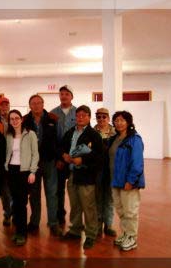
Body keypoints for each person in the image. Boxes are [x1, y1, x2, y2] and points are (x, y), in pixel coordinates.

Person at [61, 105, 102, 249]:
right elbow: (62, 147)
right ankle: (75, 230)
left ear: (89, 117)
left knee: (88, 206)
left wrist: (83, 160)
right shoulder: (70, 132)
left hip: (86, 175)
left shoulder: (94, 135)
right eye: (78, 115)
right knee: (75, 205)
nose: (80, 118)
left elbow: (99, 157)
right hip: (72, 174)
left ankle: (91, 234)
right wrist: (64, 155)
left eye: (84, 115)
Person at [23, 94, 62, 236]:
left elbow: (59, 140)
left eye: (39, 102)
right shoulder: (25, 121)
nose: (36, 105)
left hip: (49, 162)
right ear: (30, 105)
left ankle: (53, 223)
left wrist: (59, 158)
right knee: (34, 194)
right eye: (33, 103)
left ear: (43, 104)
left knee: (52, 193)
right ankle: (34, 222)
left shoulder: (53, 119)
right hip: (32, 164)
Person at [109, 111, 145, 251]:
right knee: (121, 209)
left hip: (128, 182)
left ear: (128, 122)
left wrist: (130, 181)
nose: (119, 123)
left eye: (122, 120)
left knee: (130, 211)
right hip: (115, 180)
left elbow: (137, 163)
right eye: (116, 120)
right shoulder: (115, 138)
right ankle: (125, 234)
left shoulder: (135, 139)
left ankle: (132, 238)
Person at [5, 109, 39, 246]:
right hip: (11, 170)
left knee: (22, 203)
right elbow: (7, 153)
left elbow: (35, 154)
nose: (14, 121)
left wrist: (32, 172)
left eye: (16, 118)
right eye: (11, 119)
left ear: (21, 119)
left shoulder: (30, 134)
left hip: (24, 172)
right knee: (15, 202)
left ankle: (22, 233)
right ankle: (18, 231)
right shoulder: (8, 135)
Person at [50, 85, 77, 225]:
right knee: (58, 189)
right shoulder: (52, 114)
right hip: (59, 158)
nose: (64, 96)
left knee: (75, 190)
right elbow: (51, 139)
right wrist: (60, 157)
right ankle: (60, 214)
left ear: (72, 96)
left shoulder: (79, 113)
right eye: (61, 94)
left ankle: (76, 218)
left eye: (67, 94)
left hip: (75, 158)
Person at [93, 107, 117, 237]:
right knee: (97, 198)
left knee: (109, 198)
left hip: (111, 170)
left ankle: (108, 225)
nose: (101, 119)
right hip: (97, 170)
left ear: (108, 118)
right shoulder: (91, 132)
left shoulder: (115, 132)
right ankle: (97, 225)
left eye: (104, 116)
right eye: (99, 117)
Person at [0, 96, 13, 226]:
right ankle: (7, 214)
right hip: (0, 160)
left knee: (14, 189)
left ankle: (15, 212)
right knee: (4, 190)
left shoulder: (14, 118)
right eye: (2, 105)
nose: (4, 107)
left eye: (6, 105)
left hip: (14, 159)